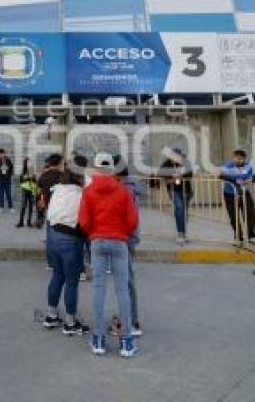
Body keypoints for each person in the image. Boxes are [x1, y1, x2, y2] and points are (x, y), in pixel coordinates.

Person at [78, 153, 139, 358]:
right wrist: (121, 232)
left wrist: (94, 233)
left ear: (95, 169)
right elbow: (132, 220)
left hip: (97, 240)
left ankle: (98, 339)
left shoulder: (88, 192)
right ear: (112, 169)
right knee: (122, 289)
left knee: (98, 289)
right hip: (119, 241)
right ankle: (126, 341)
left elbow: (83, 220)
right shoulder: (123, 191)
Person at [43, 169, 89, 335]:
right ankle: (70, 323)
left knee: (57, 275)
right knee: (71, 281)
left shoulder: (57, 190)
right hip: (70, 238)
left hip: (53, 236)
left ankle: (51, 315)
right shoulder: (81, 194)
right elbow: (85, 220)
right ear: (79, 178)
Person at [113, 159, 146, 338]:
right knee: (125, 279)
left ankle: (130, 321)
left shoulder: (123, 190)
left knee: (125, 281)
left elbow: (128, 219)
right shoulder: (131, 186)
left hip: (124, 238)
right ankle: (129, 318)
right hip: (128, 238)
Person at [220, 149, 255, 245]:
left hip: (244, 192)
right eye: (235, 158)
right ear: (233, 157)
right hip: (230, 193)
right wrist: (235, 180)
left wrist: (250, 179)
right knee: (233, 216)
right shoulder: (228, 164)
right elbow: (222, 175)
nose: (237, 160)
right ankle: (238, 237)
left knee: (249, 213)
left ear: (244, 159)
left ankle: (251, 236)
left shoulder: (249, 166)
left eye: (240, 159)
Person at [160, 149, 194, 245]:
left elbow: (190, 174)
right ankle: (180, 233)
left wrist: (179, 177)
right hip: (174, 190)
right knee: (179, 208)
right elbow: (161, 173)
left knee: (184, 211)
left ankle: (183, 232)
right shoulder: (166, 164)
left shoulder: (185, 163)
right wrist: (171, 178)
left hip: (186, 190)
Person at [37, 153, 65, 229]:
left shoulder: (44, 175)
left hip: (47, 204)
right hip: (59, 205)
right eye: (62, 163)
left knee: (49, 224)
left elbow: (39, 190)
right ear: (59, 163)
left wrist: (41, 202)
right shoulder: (63, 176)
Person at [0, 148, 14, 214]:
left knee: (8, 194)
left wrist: (9, 175)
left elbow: (11, 169)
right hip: (0, 180)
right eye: (0, 154)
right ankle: (1, 207)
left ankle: (11, 207)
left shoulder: (8, 161)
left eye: (2, 153)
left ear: (4, 153)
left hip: (7, 180)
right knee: (1, 194)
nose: (1, 155)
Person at [17, 157, 38, 228]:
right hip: (25, 190)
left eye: (30, 162)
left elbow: (35, 181)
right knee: (23, 206)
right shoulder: (22, 170)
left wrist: (34, 189)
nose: (29, 164)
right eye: (28, 162)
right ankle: (21, 222)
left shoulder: (33, 171)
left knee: (31, 206)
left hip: (31, 190)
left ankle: (29, 222)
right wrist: (27, 178)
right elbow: (21, 180)